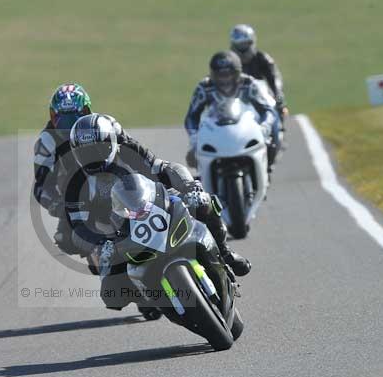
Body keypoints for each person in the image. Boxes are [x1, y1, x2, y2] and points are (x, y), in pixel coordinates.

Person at [63, 113, 251, 311]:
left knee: (204, 203)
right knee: (111, 296)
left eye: (99, 149)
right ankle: (144, 294)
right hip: (115, 231)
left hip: (153, 204)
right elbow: (77, 227)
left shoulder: (128, 150)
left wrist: (190, 186)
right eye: (87, 153)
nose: (94, 157)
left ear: (112, 142)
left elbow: (165, 168)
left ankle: (225, 253)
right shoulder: (74, 183)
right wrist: (99, 243)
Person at [183, 50, 281, 169]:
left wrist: (265, 126)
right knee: (194, 156)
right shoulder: (204, 87)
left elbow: (268, 110)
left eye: (228, 75)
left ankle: (267, 167)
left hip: (245, 128)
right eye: (220, 75)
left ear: (237, 73)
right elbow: (191, 116)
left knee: (270, 141)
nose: (225, 80)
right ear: (213, 74)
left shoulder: (249, 83)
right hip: (215, 130)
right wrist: (194, 137)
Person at [33, 83, 93, 253]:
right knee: (66, 240)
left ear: (87, 112)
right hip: (75, 199)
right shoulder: (47, 141)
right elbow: (41, 186)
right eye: (62, 119)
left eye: (75, 118)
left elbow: (128, 151)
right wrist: (57, 205)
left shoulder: (100, 125)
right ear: (52, 117)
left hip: (111, 185)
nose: (69, 126)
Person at [229, 24, 288, 119]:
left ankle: (276, 130)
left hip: (260, 97)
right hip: (236, 100)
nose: (243, 48)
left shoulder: (263, 59)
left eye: (245, 44)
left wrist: (280, 102)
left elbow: (275, 81)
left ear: (252, 43)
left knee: (276, 112)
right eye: (240, 45)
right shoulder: (228, 61)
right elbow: (217, 81)